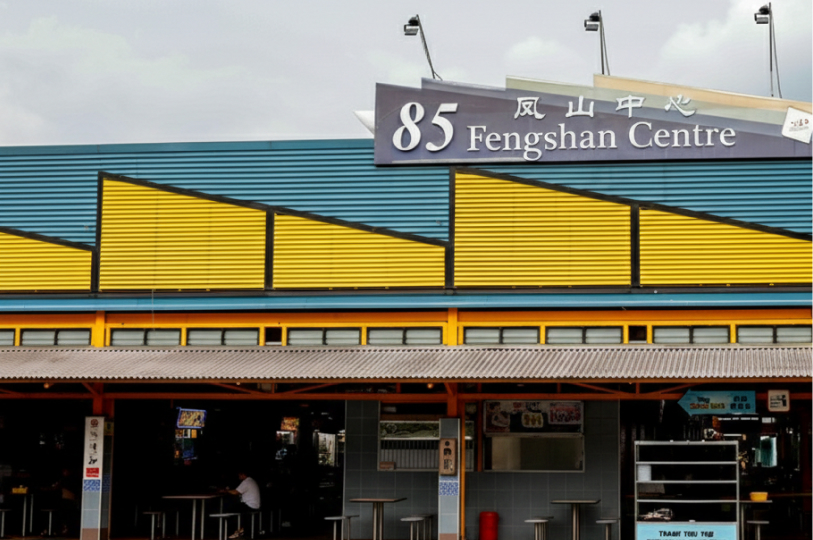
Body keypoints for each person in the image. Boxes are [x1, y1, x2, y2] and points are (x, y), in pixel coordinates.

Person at [221, 469, 261, 538]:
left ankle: (235, 530)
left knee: (228, 511)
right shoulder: (251, 481)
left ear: (243, 475)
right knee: (235, 509)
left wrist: (226, 491)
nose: (238, 477)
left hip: (249, 505)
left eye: (239, 475)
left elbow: (235, 492)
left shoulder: (246, 482)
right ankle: (241, 529)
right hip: (254, 505)